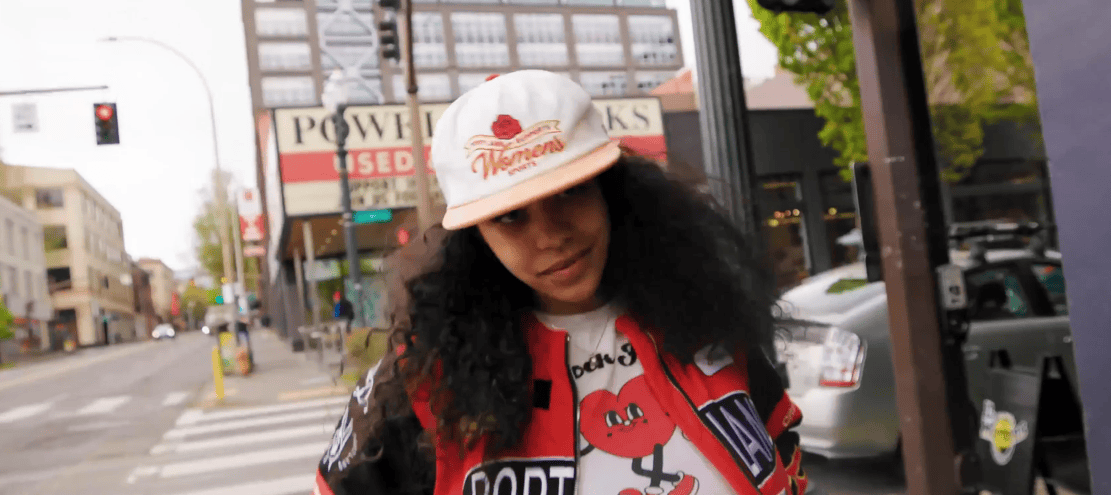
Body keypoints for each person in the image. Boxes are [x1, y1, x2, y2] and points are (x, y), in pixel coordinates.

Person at [314, 70, 808, 495]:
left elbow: (782, 449)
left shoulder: (703, 314)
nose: (551, 235)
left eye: (570, 192)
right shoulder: (427, 378)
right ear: (476, 237)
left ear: (609, 191)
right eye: (510, 217)